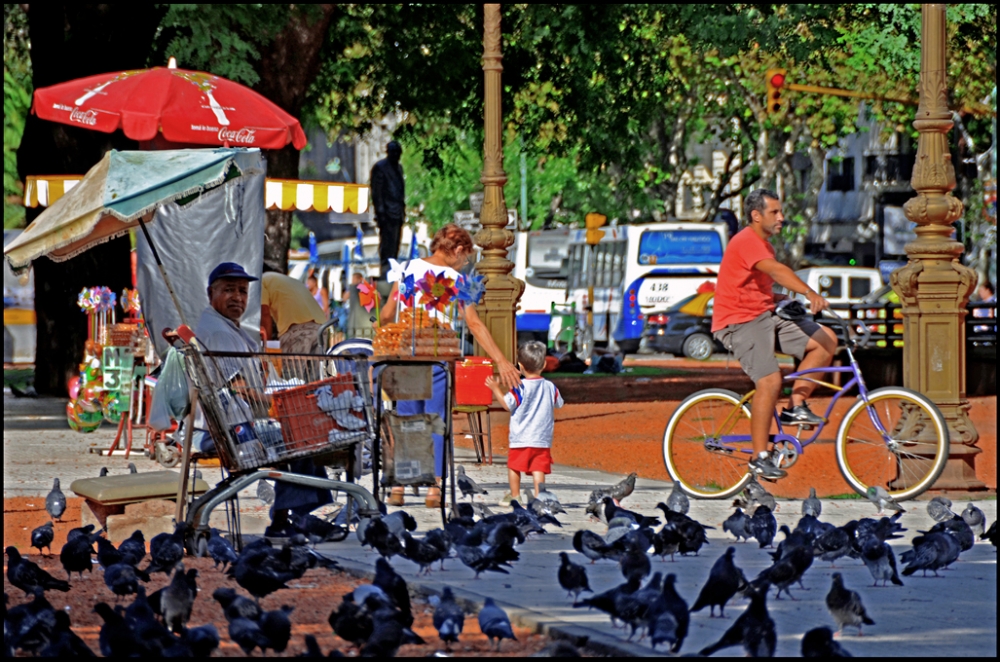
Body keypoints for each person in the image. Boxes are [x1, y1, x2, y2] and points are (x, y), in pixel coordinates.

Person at [380, 224, 521, 507]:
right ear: (457, 249)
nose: (464, 262)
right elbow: (474, 324)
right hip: (437, 358)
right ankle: (434, 489)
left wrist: (391, 334)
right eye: (465, 256)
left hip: (406, 358)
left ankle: (399, 489)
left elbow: (386, 313)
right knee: (435, 421)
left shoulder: (406, 269)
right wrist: (502, 360)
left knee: (406, 421)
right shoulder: (458, 280)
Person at [711, 189, 837, 480]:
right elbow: (776, 271)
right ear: (756, 216)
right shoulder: (746, 241)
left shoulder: (764, 245)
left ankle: (797, 406)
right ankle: (759, 457)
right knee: (770, 380)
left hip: (764, 315)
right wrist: (809, 292)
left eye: (781, 212)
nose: (782, 217)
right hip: (739, 321)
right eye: (774, 213)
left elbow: (760, 285)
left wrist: (782, 299)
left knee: (826, 339)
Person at [486, 340, 564, 505]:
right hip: (542, 439)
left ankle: (515, 496)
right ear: (543, 364)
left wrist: (495, 388)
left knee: (514, 466)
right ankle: (539, 497)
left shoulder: (519, 387)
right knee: (539, 468)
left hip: (520, 438)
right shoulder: (550, 387)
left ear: (520, 366)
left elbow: (508, 405)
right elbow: (559, 403)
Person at [260, 270, 327, 355]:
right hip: (320, 327)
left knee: (292, 368)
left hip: (296, 331)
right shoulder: (283, 280)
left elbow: (265, 314)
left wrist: (267, 346)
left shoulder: (260, 283)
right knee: (316, 368)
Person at [370, 140, 405, 278]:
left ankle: (393, 266)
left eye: (398, 153)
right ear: (388, 152)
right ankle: (385, 268)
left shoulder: (399, 168)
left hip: (397, 211)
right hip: (387, 212)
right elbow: (377, 192)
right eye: (394, 152)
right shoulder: (380, 167)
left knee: (396, 242)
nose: (396, 155)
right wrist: (380, 211)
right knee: (387, 243)